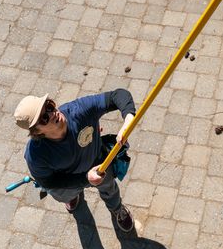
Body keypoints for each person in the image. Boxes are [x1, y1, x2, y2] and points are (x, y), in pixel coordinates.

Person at [14, 89, 136, 232]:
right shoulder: (36, 155)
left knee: (110, 190)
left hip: (100, 166)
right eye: (44, 118)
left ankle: (116, 209)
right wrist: (85, 179)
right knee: (65, 194)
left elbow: (118, 95)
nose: (53, 114)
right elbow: (48, 182)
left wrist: (128, 119)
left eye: (49, 106)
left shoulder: (79, 110)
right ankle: (72, 197)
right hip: (68, 181)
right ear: (37, 132)